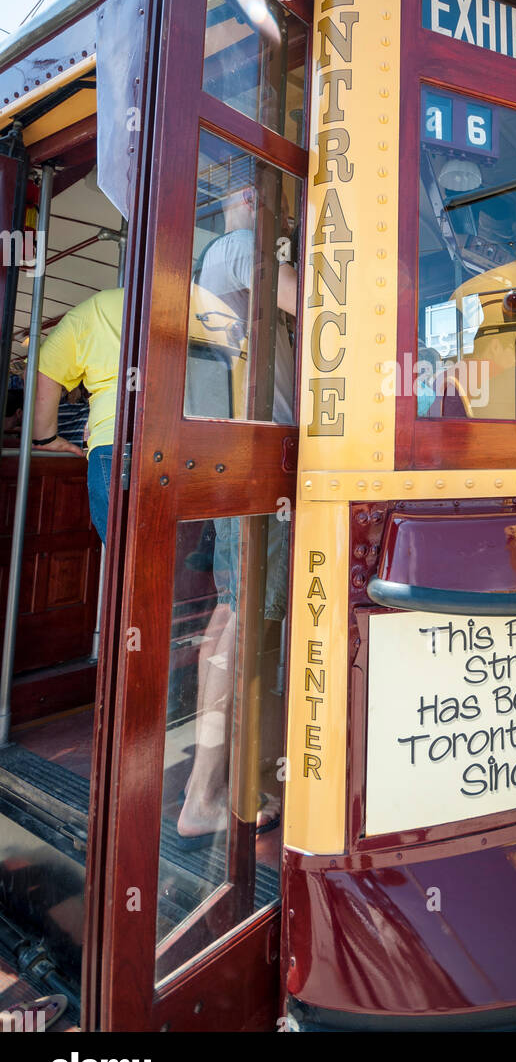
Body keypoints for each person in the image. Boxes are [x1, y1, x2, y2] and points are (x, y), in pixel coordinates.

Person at [177, 179, 297, 843]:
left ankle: (223, 781)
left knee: (234, 618)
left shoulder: (222, 256)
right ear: (251, 195)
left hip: (246, 452)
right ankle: (210, 791)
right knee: (247, 622)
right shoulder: (237, 246)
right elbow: (321, 301)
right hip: (261, 456)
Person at [31, 287, 123, 545]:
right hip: (197, 440)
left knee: (129, 558)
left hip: (115, 438)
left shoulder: (95, 308)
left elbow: (45, 371)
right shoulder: (198, 301)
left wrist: (46, 438)